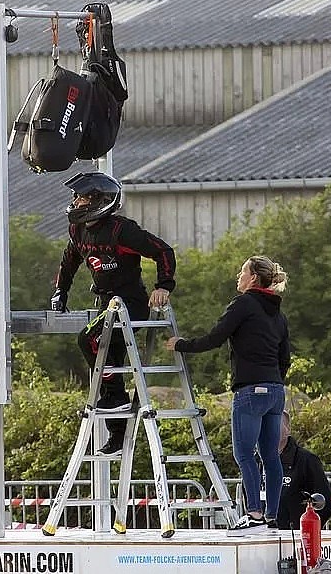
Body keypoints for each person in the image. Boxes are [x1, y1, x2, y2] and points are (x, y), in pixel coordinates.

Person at [51, 171, 176, 456]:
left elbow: (163, 251)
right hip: (106, 305)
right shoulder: (77, 231)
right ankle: (118, 438)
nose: (76, 202)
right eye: (76, 197)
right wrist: (61, 292)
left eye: (81, 197)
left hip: (130, 304)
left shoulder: (122, 230)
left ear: (100, 201)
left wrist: (164, 286)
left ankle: (115, 398)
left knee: (87, 340)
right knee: (110, 360)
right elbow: (68, 262)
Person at [166, 255, 289, 531]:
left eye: (242, 272)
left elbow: (215, 337)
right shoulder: (278, 314)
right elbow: (285, 358)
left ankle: (254, 515)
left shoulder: (244, 304)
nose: (238, 276)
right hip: (275, 391)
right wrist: (273, 382)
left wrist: (181, 344)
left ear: (254, 278)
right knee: (271, 455)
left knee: (244, 454)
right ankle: (272, 516)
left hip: (250, 391)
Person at [276, 411, 331, 530]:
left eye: (274, 422)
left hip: (296, 538)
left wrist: (307, 531)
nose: (268, 428)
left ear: (287, 430)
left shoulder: (307, 460)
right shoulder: (256, 461)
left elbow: (325, 503)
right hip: (263, 538)